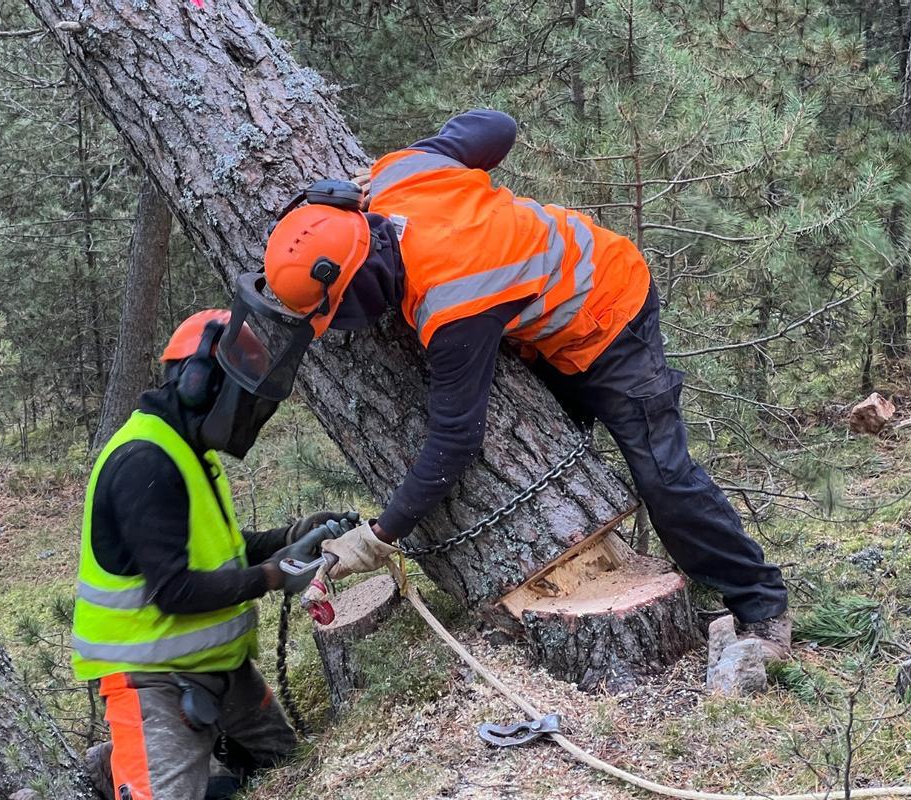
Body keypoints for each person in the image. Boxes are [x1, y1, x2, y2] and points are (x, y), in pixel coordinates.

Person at [262, 110, 791, 658]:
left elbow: (455, 439)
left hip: (611, 314)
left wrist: (381, 535)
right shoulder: (400, 174)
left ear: (362, 281)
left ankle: (762, 604)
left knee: (664, 477)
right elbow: (496, 126)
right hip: (548, 321)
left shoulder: (452, 300)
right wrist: (397, 168)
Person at [71, 309, 355, 800]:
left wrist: (290, 535)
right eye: (239, 394)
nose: (245, 410)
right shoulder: (144, 461)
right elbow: (175, 590)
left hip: (222, 669)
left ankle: (190, 759)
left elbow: (218, 549)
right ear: (197, 382)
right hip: (152, 681)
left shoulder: (186, 448)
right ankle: (117, 766)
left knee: (286, 766)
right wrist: (271, 576)